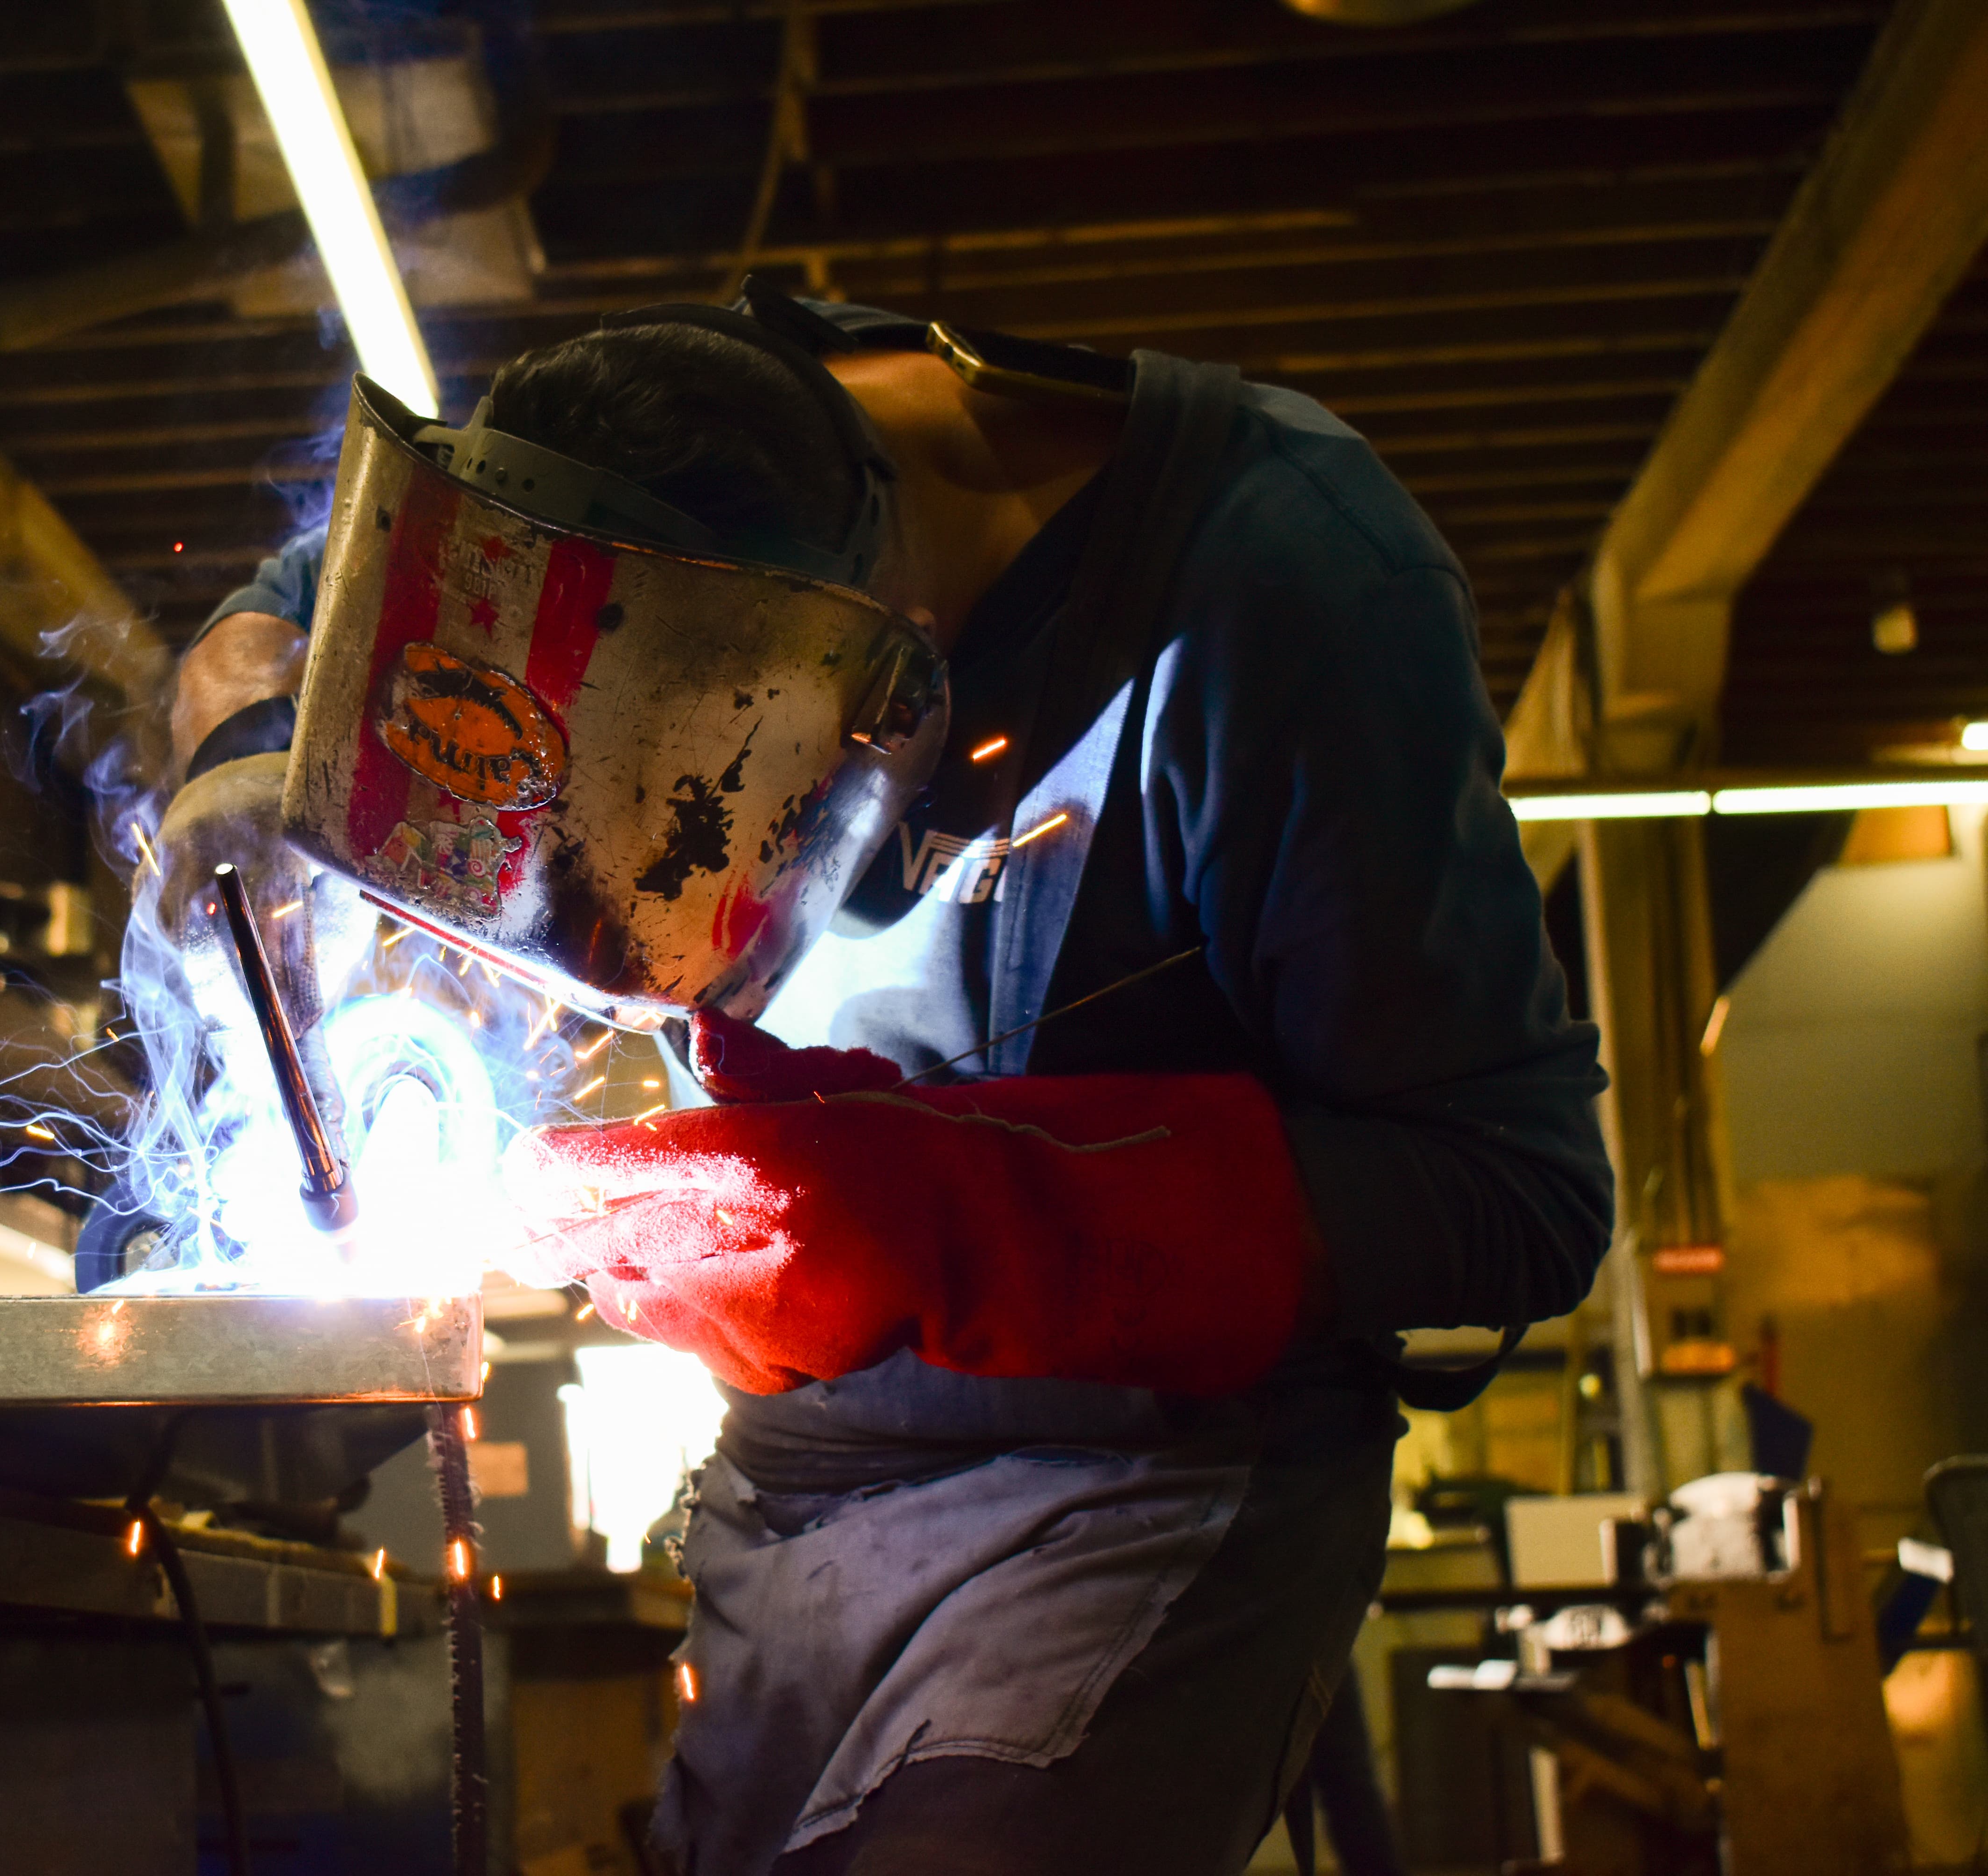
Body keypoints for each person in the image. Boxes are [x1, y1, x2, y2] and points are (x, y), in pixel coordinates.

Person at [150, 288, 1612, 1874]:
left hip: (1147, 1477)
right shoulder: (621, 478)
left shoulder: (1291, 594)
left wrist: (940, 1217)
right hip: (807, 1464)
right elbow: (269, 618)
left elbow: (1516, 1196)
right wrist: (254, 749)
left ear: (880, 671)